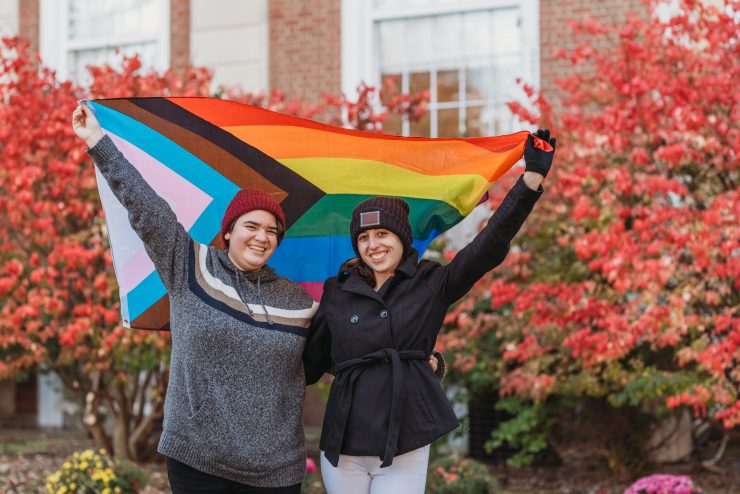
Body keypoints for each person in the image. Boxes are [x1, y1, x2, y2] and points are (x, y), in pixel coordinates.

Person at [71, 102, 443, 493]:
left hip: (275, 471)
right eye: (252, 226)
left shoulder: (299, 302)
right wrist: (99, 142)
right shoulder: (190, 266)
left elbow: (351, 353)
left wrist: (418, 365)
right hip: (197, 461)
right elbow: (146, 208)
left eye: (272, 231)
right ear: (229, 231)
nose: (262, 236)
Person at [303, 129, 557, 494]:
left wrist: (529, 181)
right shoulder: (338, 290)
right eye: (363, 238)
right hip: (343, 444)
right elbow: (313, 361)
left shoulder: (430, 282)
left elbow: (486, 247)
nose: (373, 245)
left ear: (401, 238)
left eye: (382, 234)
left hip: (404, 438)